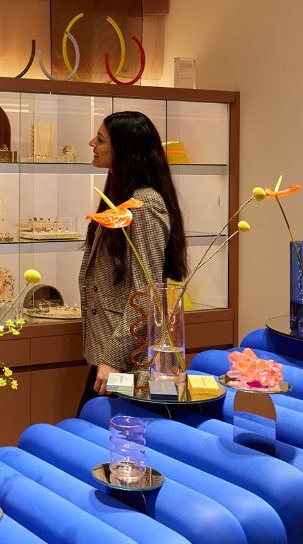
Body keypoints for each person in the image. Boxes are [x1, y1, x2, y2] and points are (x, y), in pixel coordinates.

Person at [78, 111, 188, 414]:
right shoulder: (123, 197)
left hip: (127, 359)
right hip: (110, 355)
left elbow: (148, 291)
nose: (92, 144)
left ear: (125, 149)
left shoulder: (145, 203)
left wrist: (113, 358)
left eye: (100, 139)